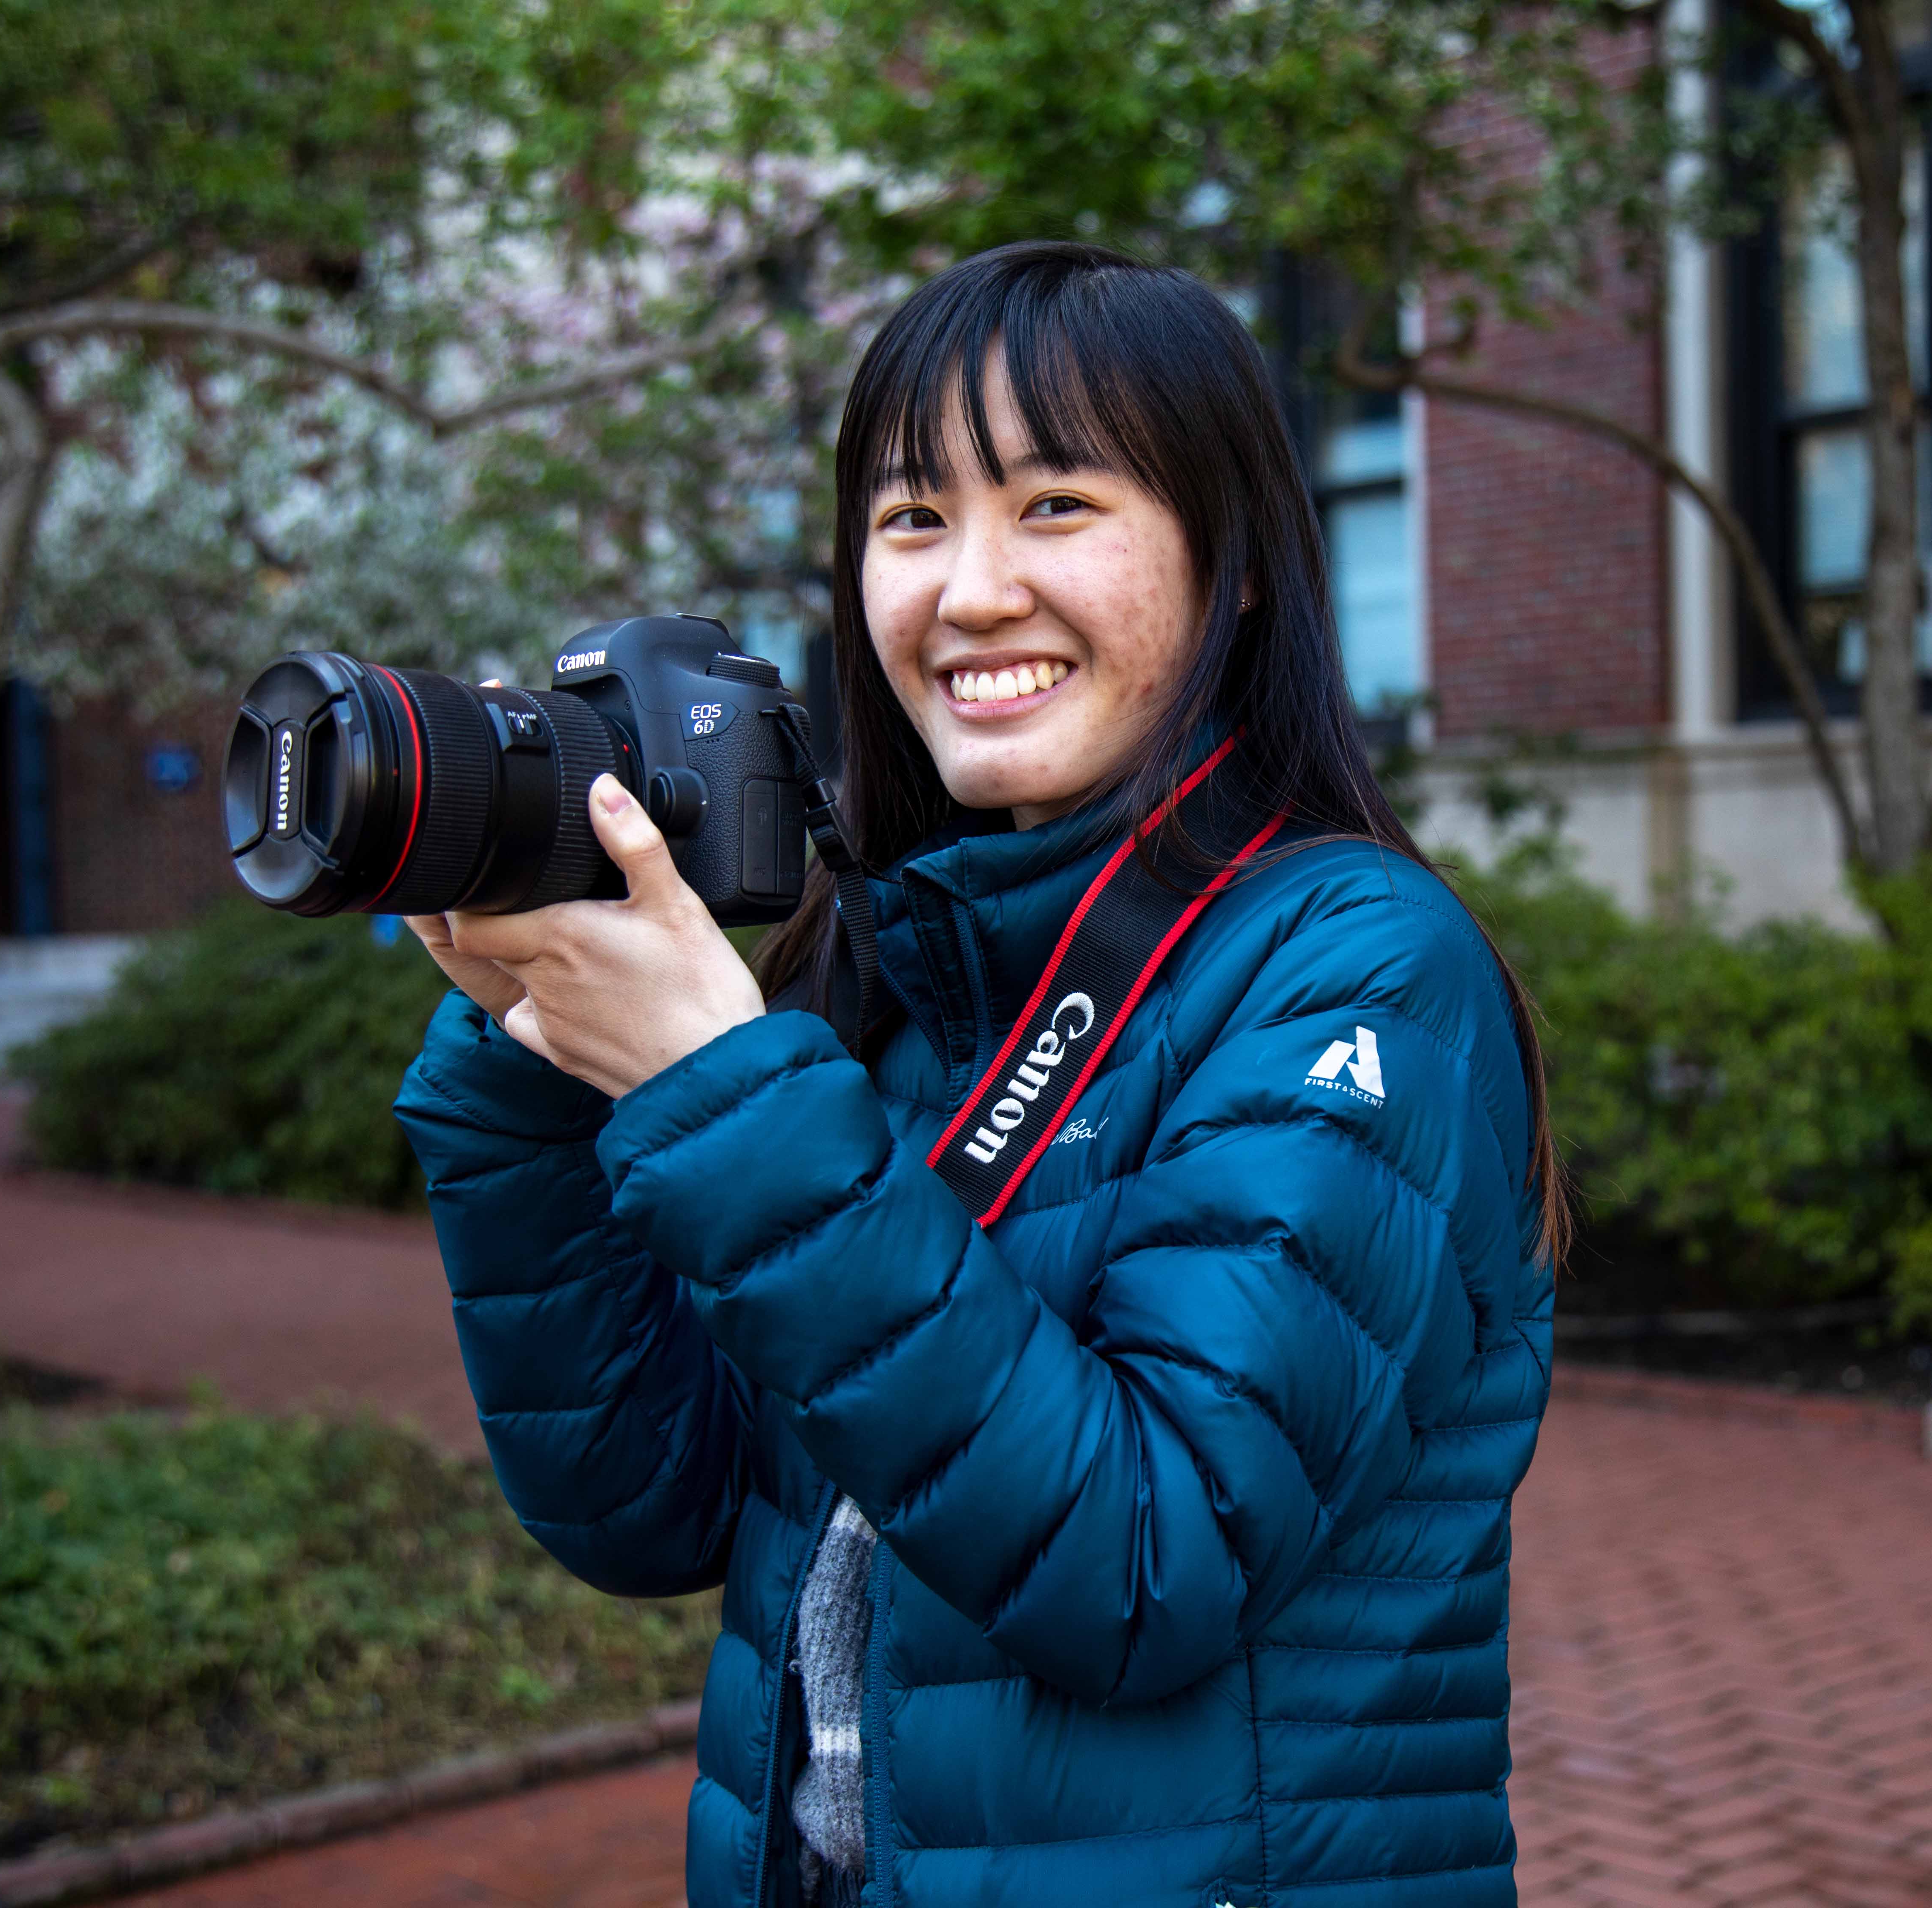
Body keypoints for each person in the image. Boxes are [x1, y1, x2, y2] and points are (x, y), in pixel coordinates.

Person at [393, 240, 1562, 1908]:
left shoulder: (1360, 967)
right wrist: (533, 1069)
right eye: (913, 519)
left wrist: (723, 1084)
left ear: (1234, 565)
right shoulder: (903, 972)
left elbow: (1147, 1557)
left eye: (1059, 505)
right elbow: (643, 1507)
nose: (971, 590)